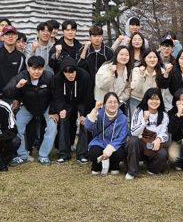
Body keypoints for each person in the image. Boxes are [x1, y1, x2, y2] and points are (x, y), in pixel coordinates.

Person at [4, 56, 59, 165]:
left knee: (52, 126)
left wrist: (53, 111)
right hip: (28, 106)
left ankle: (43, 155)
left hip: (46, 106)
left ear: (43, 68)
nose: (37, 72)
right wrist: (17, 86)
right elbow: (7, 91)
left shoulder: (49, 76)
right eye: (34, 69)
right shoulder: (21, 76)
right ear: (28, 68)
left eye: (39, 69)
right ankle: (22, 155)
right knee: (17, 125)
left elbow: (56, 95)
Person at [77, 25, 114, 163]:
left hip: (103, 90)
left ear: (102, 37)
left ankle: (100, 147)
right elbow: (79, 66)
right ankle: (82, 152)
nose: (96, 38)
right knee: (87, 119)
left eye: (99, 36)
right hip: (87, 90)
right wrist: (86, 48)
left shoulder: (108, 52)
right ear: (90, 37)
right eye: (93, 36)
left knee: (103, 119)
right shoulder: (84, 50)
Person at [125, 88, 170, 179]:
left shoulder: (164, 115)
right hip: (140, 145)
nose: (154, 101)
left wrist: (159, 139)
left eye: (157, 99)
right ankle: (132, 171)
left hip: (154, 146)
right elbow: (134, 132)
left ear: (160, 101)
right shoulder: (139, 111)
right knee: (133, 140)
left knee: (163, 153)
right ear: (146, 100)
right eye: (151, 99)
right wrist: (144, 119)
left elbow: (165, 133)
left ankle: (152, 169)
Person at [52, 57, 90, 163]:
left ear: (76, 70)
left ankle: (82, 153)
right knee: (63, 120)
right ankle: (63, 153)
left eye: (72, 72)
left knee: (85, 122)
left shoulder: (84, 75)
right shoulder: (57, 78)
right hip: (66, 102)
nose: (70, 75)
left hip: (82, 101)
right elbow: (57, 96)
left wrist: (85, 113)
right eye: (67, 72)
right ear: (62, 72)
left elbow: (88, 96)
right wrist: (61, 109)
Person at [85, 92, 129, 175]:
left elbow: (122, 137)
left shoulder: (123, 118)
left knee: (119, 153)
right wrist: (95, 110)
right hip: (99, 141)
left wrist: (110, 148)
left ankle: (114, 165)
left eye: (115, 102)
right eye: (109, 102)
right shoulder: (99, 113)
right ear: (104, 104)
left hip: (115, 143)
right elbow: (88, 126)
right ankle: (96, 165)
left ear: (119, 104)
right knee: (94, 153)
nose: (113, 104)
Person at [94, 46, 132, 112]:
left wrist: (118, 100)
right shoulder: (106, 67)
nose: (124, 57)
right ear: (116, 55)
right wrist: (111, 73)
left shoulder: (129, 71)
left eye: (127, 55)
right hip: (102, 104)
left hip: (118, 105)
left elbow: (128, 89)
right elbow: (101, 85)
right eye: (121, 54)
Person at [130, 49, 161, 116]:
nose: (152, 60)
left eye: (155, 57)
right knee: (135, 123)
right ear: (144, 59)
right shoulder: (137, 70)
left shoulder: (161, 71)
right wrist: (141, 75)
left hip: (153, 102)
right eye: (149, 57)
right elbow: (137, 89)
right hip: (137, 100)